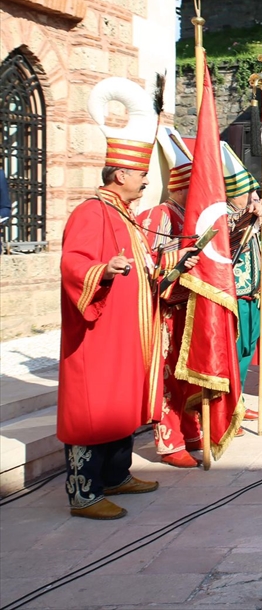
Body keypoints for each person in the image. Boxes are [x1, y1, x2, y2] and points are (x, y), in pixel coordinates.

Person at [58, 78, 191, 519]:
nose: (145, 179)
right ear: (120, 174)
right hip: (98, 336)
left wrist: (173, 267)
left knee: (120, 406)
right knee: (94, 409)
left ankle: (116, 474)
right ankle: (83, 492)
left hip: (128, 334)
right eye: (140, 173)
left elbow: (144, 274)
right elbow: (74, 264)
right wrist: (103, 271)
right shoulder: (91, 212)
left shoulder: (128, 218)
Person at [137, 129, 203, 469]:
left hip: (186, 307)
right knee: (166, 378)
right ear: (181, 186)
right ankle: (169, 441)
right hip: (163, 310)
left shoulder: (189, 218)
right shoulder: (158, 216)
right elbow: (145, 261)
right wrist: (179, 259)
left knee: (187, 375)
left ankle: (190, 431)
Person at [222, 142, 262, 421]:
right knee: (233, 352)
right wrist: (249, 218)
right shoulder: (226, 218)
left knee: (246, 352)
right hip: (235, 295)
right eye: (247, 194)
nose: (254, 198)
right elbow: (230, 240)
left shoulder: (248, 216)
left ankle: (238, 401)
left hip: (253, 293)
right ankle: (227, 410)